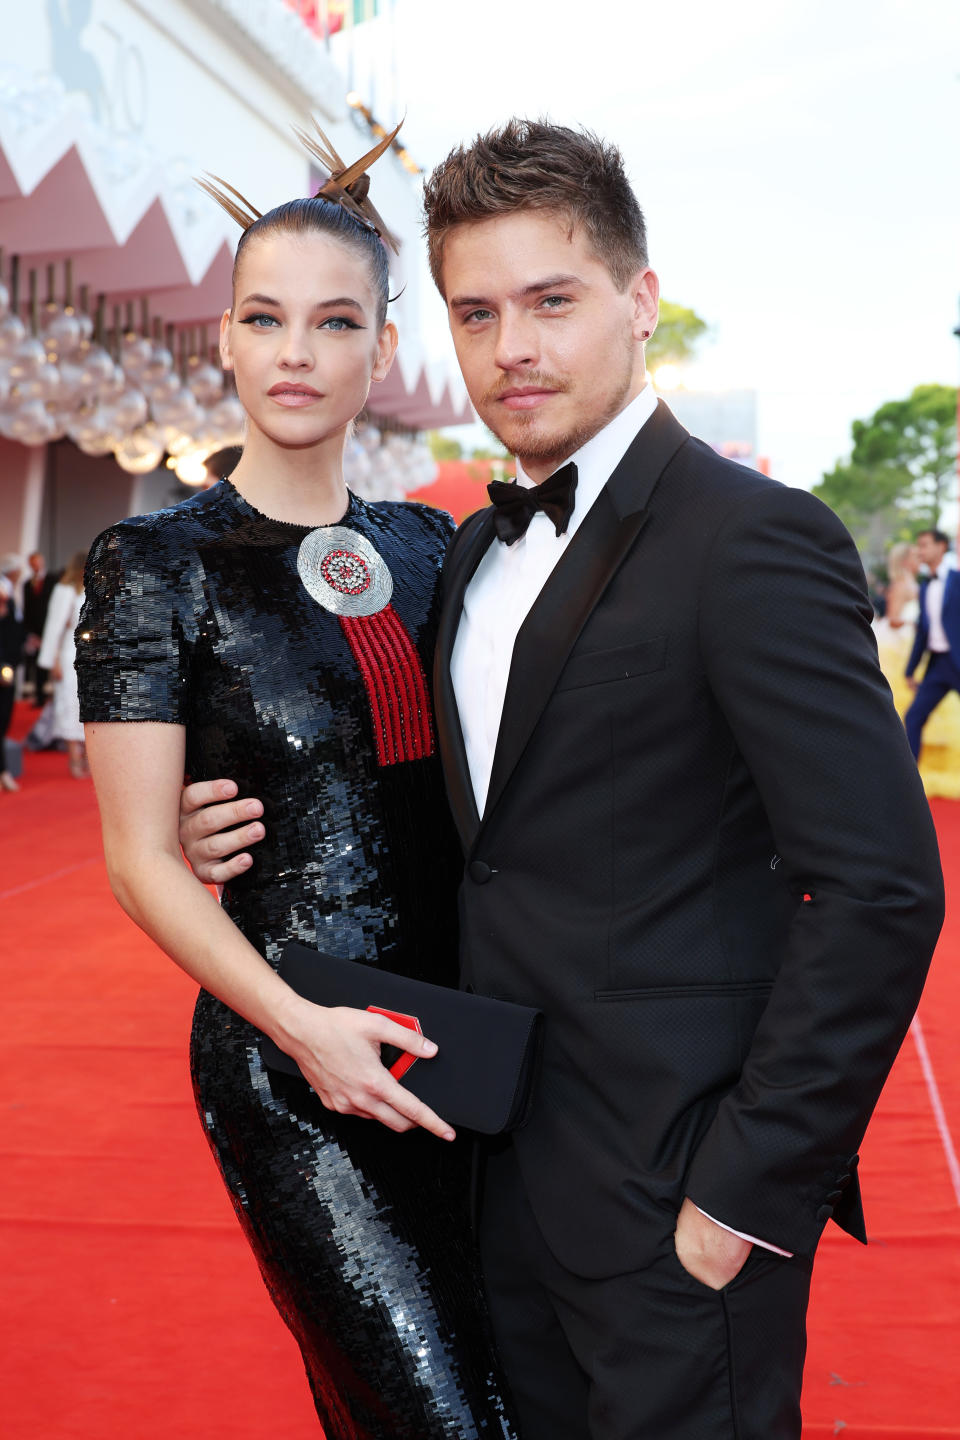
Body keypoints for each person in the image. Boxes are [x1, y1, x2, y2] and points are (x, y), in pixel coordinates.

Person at [179, 119, 944, 1440]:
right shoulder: (466, 557)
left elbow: (880, 890)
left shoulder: (754, 541)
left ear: (639, 305)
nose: (511, 349)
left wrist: (744, 1196)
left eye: (551, 301)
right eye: (476, 313)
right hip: (490, 1175)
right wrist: (231, 814)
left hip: (678, 1205)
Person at [75, 131, 518, 1439]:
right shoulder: (159, 564)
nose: (295, 352)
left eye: (334, 323)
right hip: (295, 1060)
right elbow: (141, 856)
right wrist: (296, 1025)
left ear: (381, 351)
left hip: (470, 1053)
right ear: (224, 338)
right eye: (265, 318)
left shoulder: (439, 546)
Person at [904, 527, 960, 768]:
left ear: (941, 546)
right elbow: (923, 633)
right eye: (919, 545)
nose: (920, 550)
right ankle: (908, 784)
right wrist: (910, 670)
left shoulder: (958, 579)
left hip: (958, 662)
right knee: (913, 717)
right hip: (937, 665)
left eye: (925, 544)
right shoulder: (925, 586)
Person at [38, 550, 88, 778]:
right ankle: (74, 757)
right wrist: (53, 660)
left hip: (92, 656)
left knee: (90, 706)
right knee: (70, 705)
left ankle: (89, 756)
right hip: (69, 654)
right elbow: (53, 628)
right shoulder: (64, 590)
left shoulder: (96, 589)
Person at [22, 551, 59, 708]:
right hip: (35, 631)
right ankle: (40, 696)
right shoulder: (27, 584)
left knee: (53, 662)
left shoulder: (53, 580)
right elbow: (27, 609)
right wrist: (29, 633)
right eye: (33, 563)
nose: (36, 565)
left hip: (50, 627)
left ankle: (55, 697)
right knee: (37, 663)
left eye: (38, 562)